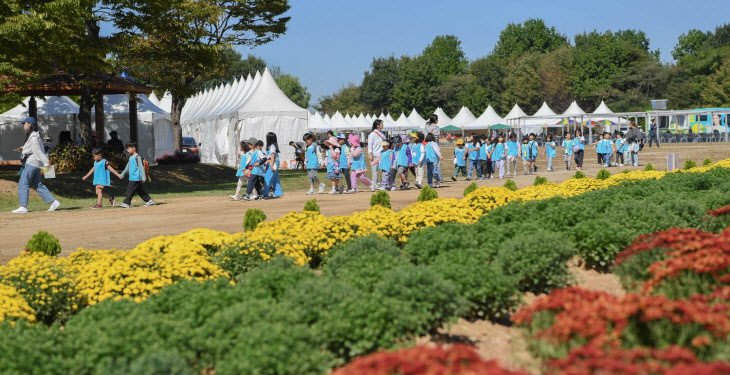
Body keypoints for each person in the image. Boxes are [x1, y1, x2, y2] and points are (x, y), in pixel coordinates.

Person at [12, 117, 61, 214]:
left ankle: (23, 206)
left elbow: (38, 150)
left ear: (29, 124)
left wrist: (47, 163)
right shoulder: (33, 135)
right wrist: (24, 148)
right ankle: (54, 202)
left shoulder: (34, 136)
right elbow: (33, 148)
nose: (23, 125)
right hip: (35, 163)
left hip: (32, 163)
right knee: (38, 184)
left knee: (23, 183)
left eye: (24, 123)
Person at [117, 142, 154, 208]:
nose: (127, 150)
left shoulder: (137, 157)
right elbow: (127, 167)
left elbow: (141, 167)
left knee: (130, 189)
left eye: (128, 148)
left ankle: (126, 203)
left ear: (134, 148)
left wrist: (143, 177)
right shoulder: (131, 157)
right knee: (139, 190)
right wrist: (122, 174)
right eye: (127, 149)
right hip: (132, 177)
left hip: (136, 177)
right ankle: (149, 200)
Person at [367, 119, 387, 190]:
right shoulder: (372, 134)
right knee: (374, 171)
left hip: (382, 154)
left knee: (384, 170)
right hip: (375, 154)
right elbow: (370, 145)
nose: (383, 125)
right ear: (377, 125)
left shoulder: (382, 134)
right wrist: (370, 154)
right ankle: (375, 184)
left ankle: (382, 184)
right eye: (381, 124)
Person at [263, 132, 283, 198]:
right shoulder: (272, 146)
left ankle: (265, 193)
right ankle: (278, 192)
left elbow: (272, 156)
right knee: (275, 179)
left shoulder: (271, 147)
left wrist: (271, 166)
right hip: (274, 164)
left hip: (272, 163)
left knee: (267, 178)